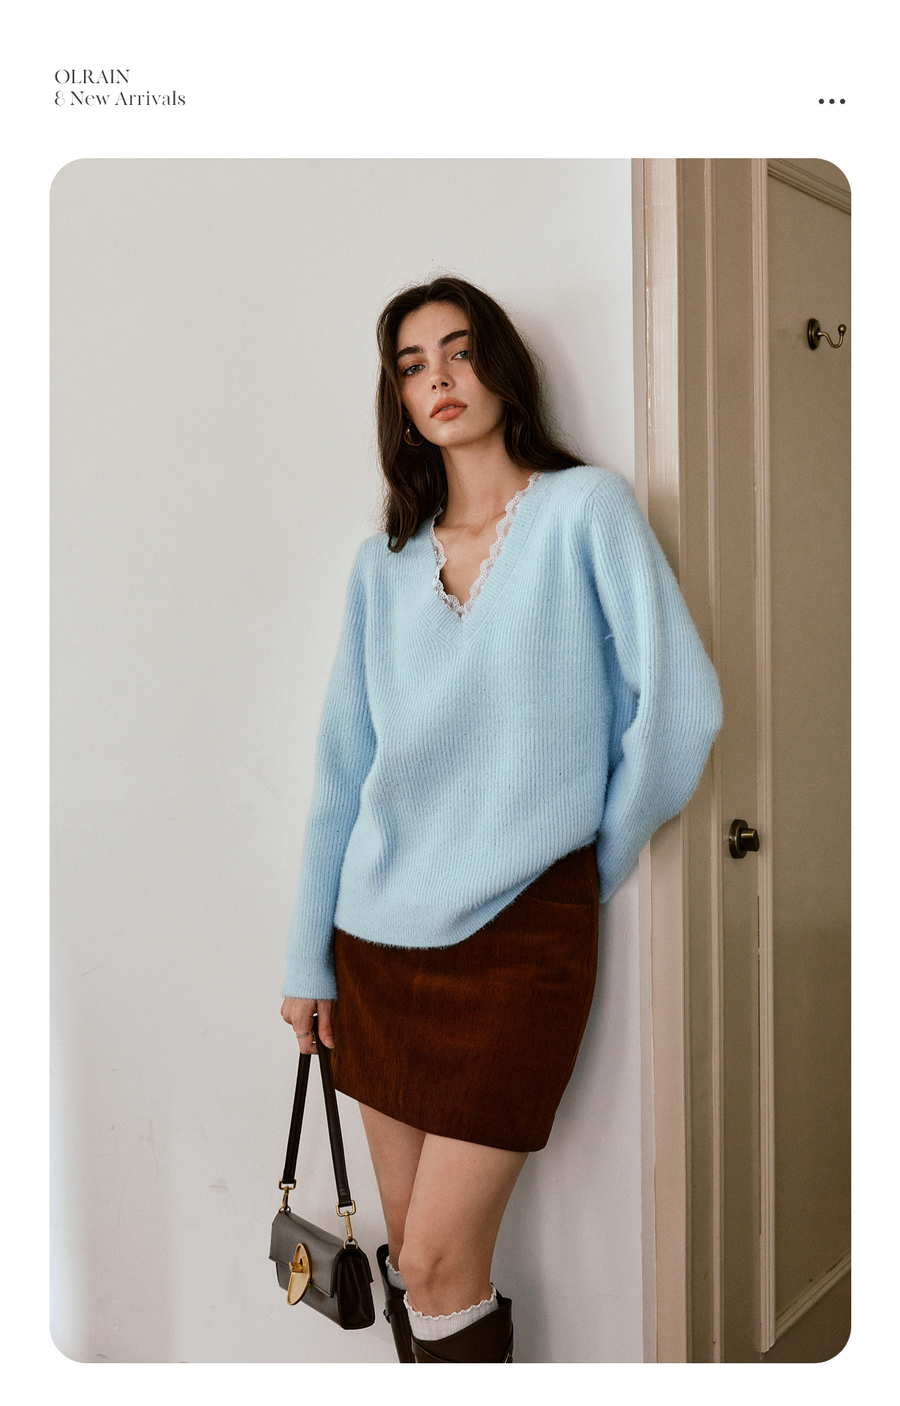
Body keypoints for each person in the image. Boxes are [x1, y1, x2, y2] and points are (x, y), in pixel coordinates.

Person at [280, 275, 721, 1363]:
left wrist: (578, 867)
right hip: (374, 946)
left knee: (438, 1259)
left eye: (460, 350)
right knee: (416, 1261)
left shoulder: (586, 512)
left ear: (500, 368)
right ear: (398, 397)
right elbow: (341, 772)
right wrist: (306, 959)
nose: (439, 377)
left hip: (519, 943)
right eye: (412, 364)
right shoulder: (382, 565)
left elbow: (682, 713)